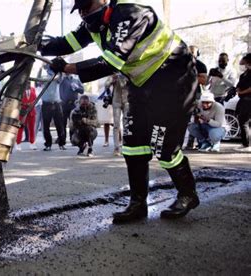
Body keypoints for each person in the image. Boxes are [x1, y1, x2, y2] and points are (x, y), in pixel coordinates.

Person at [41, 0, 199, 223]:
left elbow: (111, 62)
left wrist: (68, 68)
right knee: (133, 145)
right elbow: (67, 42)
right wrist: (35, 45)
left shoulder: (131, 14)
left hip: (173, 79)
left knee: (162, 145)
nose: (86, 13)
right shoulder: (93, 25)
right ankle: (137, 204)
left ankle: (187, 194)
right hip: (141, 82)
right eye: (82, 10)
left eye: (89, 6)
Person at [184, 45, 208, 150]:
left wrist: (190, 75)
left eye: (193, 52)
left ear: (197, 54)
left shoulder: (200, 65)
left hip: (195, 95)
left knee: (197, 118)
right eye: (189, 51)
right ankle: (177, 143)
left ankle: (194, 142)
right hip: (181, 95)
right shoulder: (181, 64)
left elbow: (204, 81)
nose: (191, 53)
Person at [41, 66, 66, 151]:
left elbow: (60, 78)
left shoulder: (58, 75)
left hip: (56, 103)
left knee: (60, 125)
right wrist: (41, 67)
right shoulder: (43, 75)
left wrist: (60, 69)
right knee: (46, 126)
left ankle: (61, 144)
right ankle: (48, 144)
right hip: (46, 104)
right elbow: (38, 81)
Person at [107, 73, 129, 156]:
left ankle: (125, 146)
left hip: (127, 102)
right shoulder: (114, 74)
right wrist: (112, 80)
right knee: (116, 125)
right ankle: (116, 147)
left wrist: (127, 80)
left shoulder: (128, 73)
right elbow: (106, 85)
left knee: (126, 125)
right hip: (116, 102)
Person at [234, 53, 251, 152]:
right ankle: (245, 143)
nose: (243, 64)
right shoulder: (245, 74)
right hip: (243, 100)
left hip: (248, 100)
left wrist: (241, 92)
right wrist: (238, 90)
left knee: (245, 122)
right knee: (242, 121)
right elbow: (239, 85)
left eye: (246, 62)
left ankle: (247, 144)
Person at [59, 73, 85, 138]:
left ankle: (73, 139)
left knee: (73, 122)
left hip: (73, 104)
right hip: (64, 104)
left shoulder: (76, 80)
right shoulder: (61, 80)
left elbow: (82, 91)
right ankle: (62, 140)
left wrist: (77, 88)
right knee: (62, 123)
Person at [15, 84, 38, 150]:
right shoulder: (21, 90)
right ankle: (18, 143)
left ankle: (32, 143)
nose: (28, 83)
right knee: (20, 128)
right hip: (22, 112)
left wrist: (31, 104)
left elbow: (35, 99)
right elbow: (18, 100)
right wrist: (25, 104)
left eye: (29, 82)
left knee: (31, 128)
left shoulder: (33, 89)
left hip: (31, 112)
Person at [96, 82, 114, 147]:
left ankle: (120, 140)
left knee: (115, 123)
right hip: (104, 100)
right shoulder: (101, 77)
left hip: (113, 99)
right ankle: (106, 141)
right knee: (106, 122)